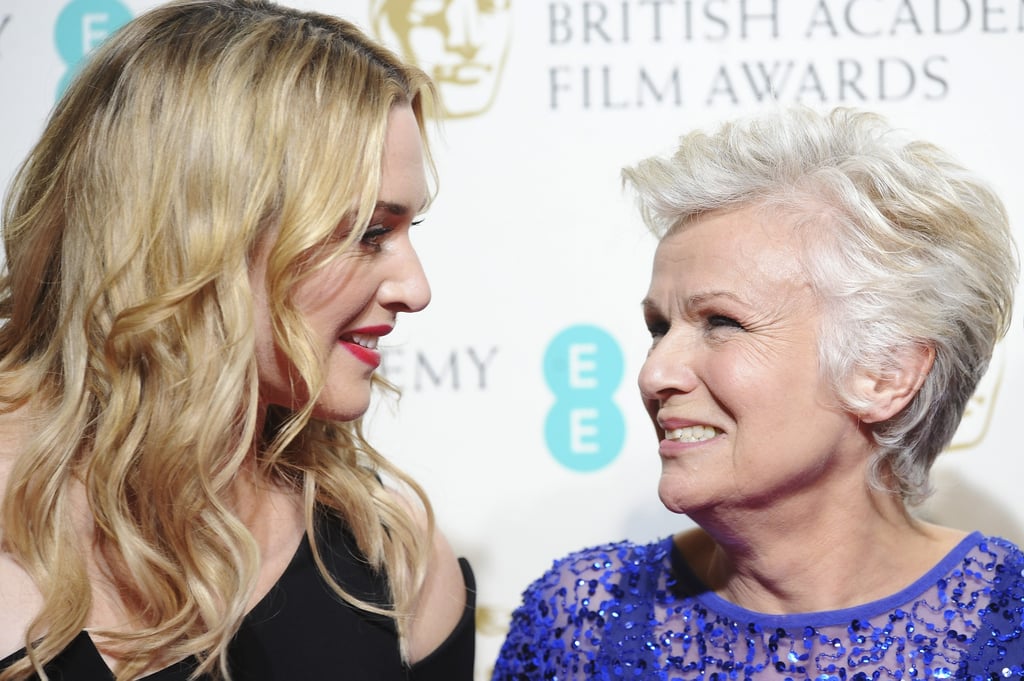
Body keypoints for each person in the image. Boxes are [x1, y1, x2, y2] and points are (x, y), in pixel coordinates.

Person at [0, 1, 474, 679]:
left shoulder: (393, 557)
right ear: (202, 235)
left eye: (407, 233)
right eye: (368, 232)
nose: (416, 288)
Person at [492, 106, 1023, 680]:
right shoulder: (580, 621)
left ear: (885, 373)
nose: (654, 374)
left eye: (722, 322)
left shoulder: (1009, 622)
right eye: (658, 329)